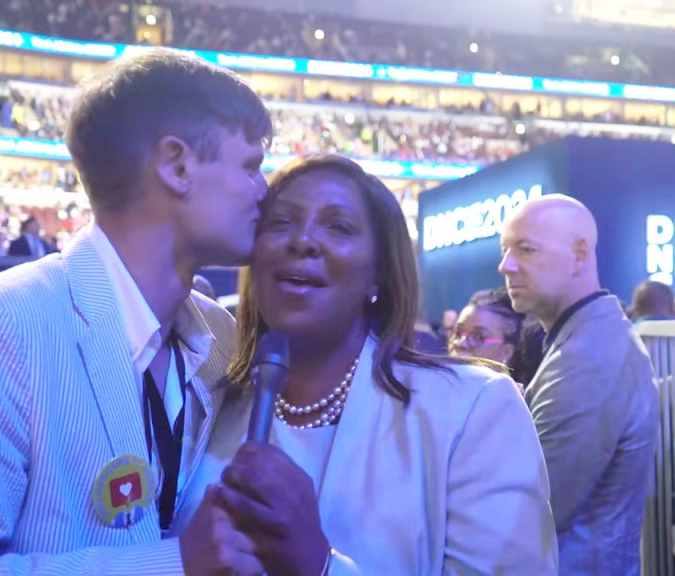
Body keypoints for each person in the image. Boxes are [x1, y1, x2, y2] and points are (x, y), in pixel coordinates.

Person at [0, 49, 272, 574]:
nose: (264, 190)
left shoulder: (221, 337)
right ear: (177, 164)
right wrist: (173, 565)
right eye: (251, 165)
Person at [176, 154, 557, 574]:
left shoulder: (472, 409)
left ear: (378, 275)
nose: (302, 241)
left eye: (338, 227)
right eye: (280, 222)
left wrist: (318, 565)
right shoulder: (206, 403)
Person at [499, 194, 658, 575]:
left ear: (580, 254)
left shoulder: (589, 359)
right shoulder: (585, 344)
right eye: (505, 250)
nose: (505, 265)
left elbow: (533, 510)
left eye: (525, 249)